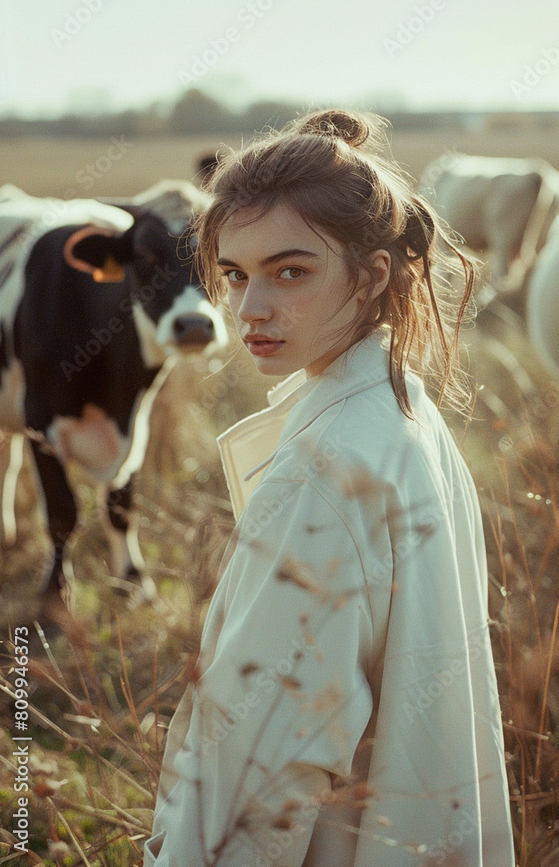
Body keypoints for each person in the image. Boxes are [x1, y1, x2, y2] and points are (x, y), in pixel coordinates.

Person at [144, 110, 515, 867]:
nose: (249, 310)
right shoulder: (401, 408)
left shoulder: (326, 464)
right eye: (237, 275)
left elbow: (264, 761)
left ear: (373, 274)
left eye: (291, 271)